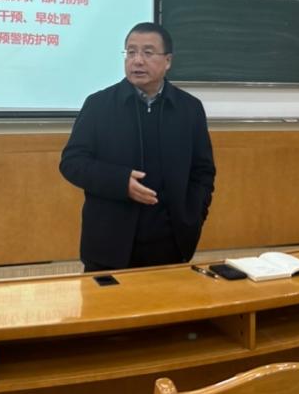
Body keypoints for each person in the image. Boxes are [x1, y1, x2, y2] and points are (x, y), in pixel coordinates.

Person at [59, 22, 216, 271]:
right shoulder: (99, 105)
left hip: (170, 244)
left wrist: (193, 218)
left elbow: (203, 171)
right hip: (108, 243)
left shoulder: (189, 108)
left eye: (148, 52)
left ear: (168, 61)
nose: (137, 60)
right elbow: (72, 163)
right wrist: (120, 182)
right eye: (131, 52)